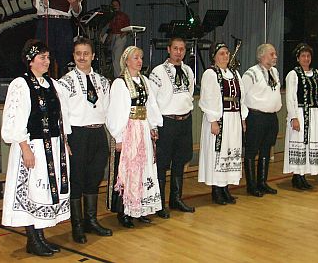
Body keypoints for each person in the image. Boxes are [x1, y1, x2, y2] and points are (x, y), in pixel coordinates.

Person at [1, 40, 70, 257]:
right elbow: (16, 119)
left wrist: (65, 142)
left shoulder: (52, 84)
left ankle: (40, 237)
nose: (47, 61)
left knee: (43, 192)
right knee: (32, 191)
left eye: (48, 57)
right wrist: (25, 149)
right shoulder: (21, 85)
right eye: (42, 58)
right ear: (31, 61)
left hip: (53, 145)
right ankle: (32, 238)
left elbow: (61, 116)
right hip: (33, 146)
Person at [57, 37, 112, 244]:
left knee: (94, 177)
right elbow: (61, 114)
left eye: (86, 53)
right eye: (78, 53)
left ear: (93, 56)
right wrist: (65, 140)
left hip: (98, 133)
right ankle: (77, 225)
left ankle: (91, 220)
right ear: (73, 56)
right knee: (77, 179)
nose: (82, 57)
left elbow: (108, 110)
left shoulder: (103, 81)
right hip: (77, 135)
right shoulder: (65, 83)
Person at [106, 46, 163, 227]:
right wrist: (119, 137)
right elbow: (116, 111)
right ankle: (124, 211)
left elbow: (151, 105)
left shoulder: (145, 81)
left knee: (144, 168)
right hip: (129, 130)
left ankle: (140, 208)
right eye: (136, 58)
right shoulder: (120, 83)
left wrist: (153, 126)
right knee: (128, 170)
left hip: (143, 129)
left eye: (141, 57)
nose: (139, 61)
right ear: (126, 61)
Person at [149, 37, 196, 218]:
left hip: (185, 121)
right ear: (168, 49)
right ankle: (159, 203)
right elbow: (151, 100)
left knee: (180, 160)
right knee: (162, 163)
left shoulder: (188, 71)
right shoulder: (158, 72)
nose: (179, 52)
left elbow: (190, 94)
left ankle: (176, 198)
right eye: (175, 49)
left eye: (182, 49)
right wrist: (154, 125)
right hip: (166, 122)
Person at [198, 43, 248, 205]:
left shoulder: (235, 74)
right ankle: (216, 190)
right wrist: (213, 120)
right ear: (214, 56)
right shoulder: (210, 74)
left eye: (227, 53)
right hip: (220, 119)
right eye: (221, 53)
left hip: (233, 119)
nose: (225, 56)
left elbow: (242, 97)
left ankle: (225, 187)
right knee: (217, 152)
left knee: (230, 151)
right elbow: (208, 98)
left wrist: (243, 118)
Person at [283, 43, 318, 190]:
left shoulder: (317, 74)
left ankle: (304, 175)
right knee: (300, 143)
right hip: (301, 113)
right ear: (298, 58)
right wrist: (294, 117)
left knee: (310, 144)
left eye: (308, 56)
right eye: (303, 56)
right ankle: (297, 176)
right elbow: (290, 97)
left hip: (315, 114)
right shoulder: (293, 75)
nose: (306, 59)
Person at [242, 43, 281, 197]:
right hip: (256, 117)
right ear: (262, 56)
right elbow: (242, 97)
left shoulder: (275, 72)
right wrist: (244, 119)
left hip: (271, 117)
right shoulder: (251, 74)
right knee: (252, 151)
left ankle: (262, 182)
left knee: (266, 150)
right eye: (272, 54)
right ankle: (251, 186)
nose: (275, 56)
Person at [35, 0, 82, 78]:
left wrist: (74, 4)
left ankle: (63, 83)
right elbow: (39, 8)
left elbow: (76, 13)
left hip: (63, 24)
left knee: (64, 56)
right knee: (44, 53)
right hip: (46, 22)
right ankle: (45, 83)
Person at [106, 0, 130, 77]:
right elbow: (110, 28)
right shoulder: (111, 16)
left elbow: (128, 27)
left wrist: (123, 34)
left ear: (119, 6)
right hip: (114, 36)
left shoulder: (124, 16)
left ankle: (119, 76)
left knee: (117, 57)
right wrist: (109, 36)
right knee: (114, 57)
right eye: (113, 5)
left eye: (116, 5)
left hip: (120, 36)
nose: (115, 6)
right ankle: (117, 75)